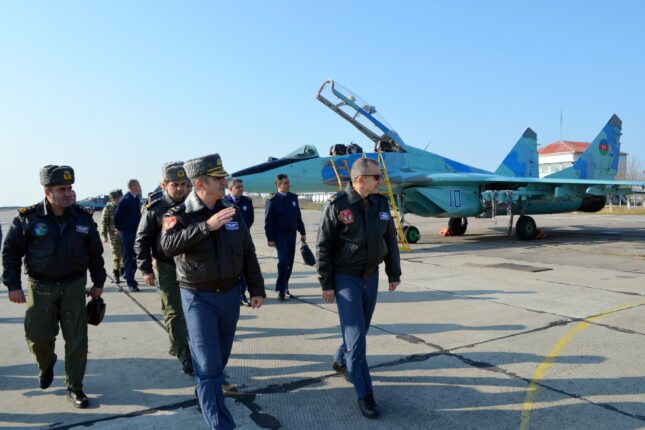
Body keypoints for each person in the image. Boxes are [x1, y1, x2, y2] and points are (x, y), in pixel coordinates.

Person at [160, 153, 265, 430]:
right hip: (198, 297)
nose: (224, 182)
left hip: (230, 295)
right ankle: (220, 423)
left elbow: (247, 252)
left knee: (219, 359)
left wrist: (256, 288)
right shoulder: (178, 215)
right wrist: (206, 227)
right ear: (199, 183)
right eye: (218, 178)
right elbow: (168, 247)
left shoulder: (232, 210)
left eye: (223, 177)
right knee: (207, 365)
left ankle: (205, 394)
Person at [2, 165, 106, 408]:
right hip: (40, 287)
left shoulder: (83, 217)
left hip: (74, 285)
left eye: (70, 188)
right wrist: (13, 285)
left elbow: (95, 253)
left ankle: (75, 387)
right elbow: (11, 253)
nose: (69, 193)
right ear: (47, 191)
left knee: (77, 339)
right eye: (62, 189)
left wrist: (98, 282)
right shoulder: (28, 218)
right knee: (38, 337)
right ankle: (46, 363)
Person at [316, 158, 401, 419]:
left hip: (371, 276)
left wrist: (394, 272)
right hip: (346, 278)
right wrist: (327, 283)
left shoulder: (380, 204)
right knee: (357, 341)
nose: (381, 181)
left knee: (361, 329)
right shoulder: (337, 205)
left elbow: (390, 238)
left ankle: (341, 358)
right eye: (377, 177)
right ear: (361, 179)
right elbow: (323, 246)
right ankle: (365, 394)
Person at [135, 162, 192, 375]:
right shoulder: (155, 208)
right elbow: (141, 239)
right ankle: (184, 355)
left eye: (183, 184)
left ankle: (178, 343)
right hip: (167, 266)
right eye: (175, 184)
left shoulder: (193, 203)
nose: (180, 189)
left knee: (192, 310)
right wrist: (145, 269)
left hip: (192, 266)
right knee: (174, 310)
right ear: (164, 185)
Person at [264, 174, 306, 301]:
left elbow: (298, 216)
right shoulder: (272, 200)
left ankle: (285, 286)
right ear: (279, 185)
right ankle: (281, 289)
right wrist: (270, 238)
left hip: (291, 235)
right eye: (286, 183)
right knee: (283, 261)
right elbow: (268, 221)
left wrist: (302, 232)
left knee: (289, 263)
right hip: (279, 235)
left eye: (288, 182)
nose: (289, 185)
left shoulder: (293, 198)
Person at [225, 178, 254, 305]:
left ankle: (242, 294)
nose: (241, 189)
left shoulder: (247, 201)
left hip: (244, 240)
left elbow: (250, 219)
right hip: (228, 241)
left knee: (243, 267)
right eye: (238, 187)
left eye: (242, 187)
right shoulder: (223, 202)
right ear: (230, 189)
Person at [114, 179, 142, 292]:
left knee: (135, 256)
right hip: (127, 232)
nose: (140, 187)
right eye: (138, 185)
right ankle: (131, 283)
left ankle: (128, 274)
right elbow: (118, 216)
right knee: (129, 257)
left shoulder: (135, 199)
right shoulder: (126, 199)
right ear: (133, 186)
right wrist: (121, 229)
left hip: (135, 231)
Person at [101, 189, 124, 284]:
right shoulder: (108, 208)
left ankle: (123, 271)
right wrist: (104, 235)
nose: (118, 200)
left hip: (124, 234)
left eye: (119, 198)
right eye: (116, 198)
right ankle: (116, 275)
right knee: (116, 255)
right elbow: (104, 222)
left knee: (124, 254)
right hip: (114, 235)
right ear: (112, 199)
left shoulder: (124, 206)